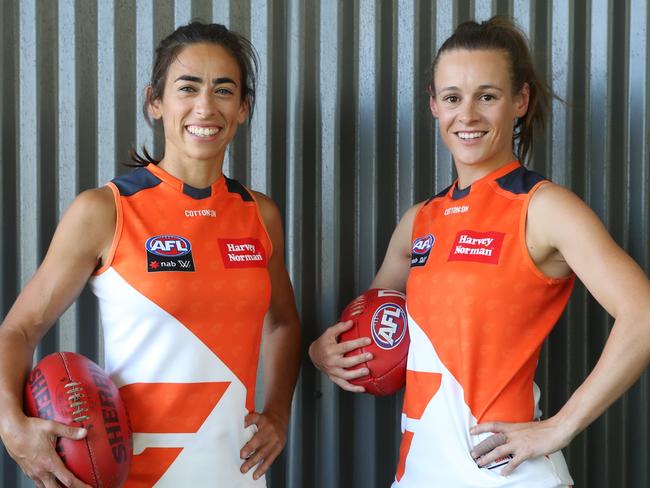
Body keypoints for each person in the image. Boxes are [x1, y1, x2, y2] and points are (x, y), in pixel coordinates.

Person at [309, 16, 650, 488]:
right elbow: (374, 331)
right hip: (419, 471)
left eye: (487, 96)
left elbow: (644, 313)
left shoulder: (544, 208)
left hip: (507, 475)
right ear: (434, 105)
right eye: (452, 98)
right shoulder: (418, 221)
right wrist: (323, 352)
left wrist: (559, 427)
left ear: (520, 101)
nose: (467, 115)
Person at [0, 21, 301, 488]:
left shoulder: (260, 215)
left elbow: (283, 322)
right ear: (155, 101)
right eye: (188, 87)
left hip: (237, 476)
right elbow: (18, 329)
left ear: (242, 108)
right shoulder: (105, 210)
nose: (205, 106)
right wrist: (11, 425)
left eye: (224, 90)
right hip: (135, 477)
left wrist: (279, 412)